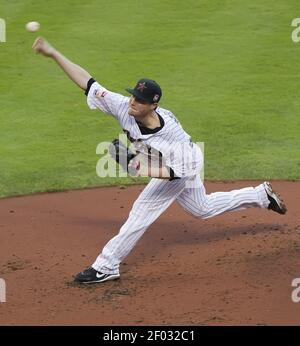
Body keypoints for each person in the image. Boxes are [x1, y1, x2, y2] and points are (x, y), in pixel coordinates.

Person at [32, 37, 287, 284]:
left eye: (139, 100)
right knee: (201, 208)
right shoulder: (124, 106)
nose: (132, 102)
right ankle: (260, 195)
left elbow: (170, 174)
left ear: (153, 105)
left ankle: (106, 265)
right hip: (163, 161)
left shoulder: (171, 137)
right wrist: (53, 53)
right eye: (132, 95)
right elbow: (88, 83)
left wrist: (134, 165)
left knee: (141, 211)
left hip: (184, 164)